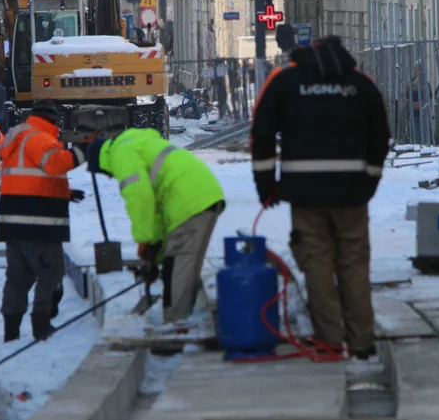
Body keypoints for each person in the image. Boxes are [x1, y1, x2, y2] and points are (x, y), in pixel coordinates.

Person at [251, 36, 390, 360]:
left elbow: (261, 132)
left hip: (305, 194)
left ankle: (329, 340)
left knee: (317, 264)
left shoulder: (285, 81)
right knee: (354, 265)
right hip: (352, 194)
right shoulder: (360, 84)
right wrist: (369, 179)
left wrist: (266, 185)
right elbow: (380, 135)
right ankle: (361, 341)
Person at [86, 129, 225, 327]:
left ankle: (175, 325)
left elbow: (139, 197)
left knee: (178, 265)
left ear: (101, 162)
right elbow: (156, 212)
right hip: (201, 195)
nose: (110, 177)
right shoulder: (135, 145)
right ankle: (179, 321)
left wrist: (146, 241)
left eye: (105, 174)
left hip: (189, 201)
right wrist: (155, 253)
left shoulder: (120, 153)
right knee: (178, 262)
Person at [0, 102, 87, 343]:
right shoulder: (39, 137)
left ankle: (11, 332)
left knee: (18, 277)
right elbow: (55, 164)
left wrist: (65, 193)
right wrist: (83, 151)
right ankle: (41, 323)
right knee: (51, 272)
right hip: (37, 222)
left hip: (13, 220)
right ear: (53, 121)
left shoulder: (21, 138)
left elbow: (31, 178)